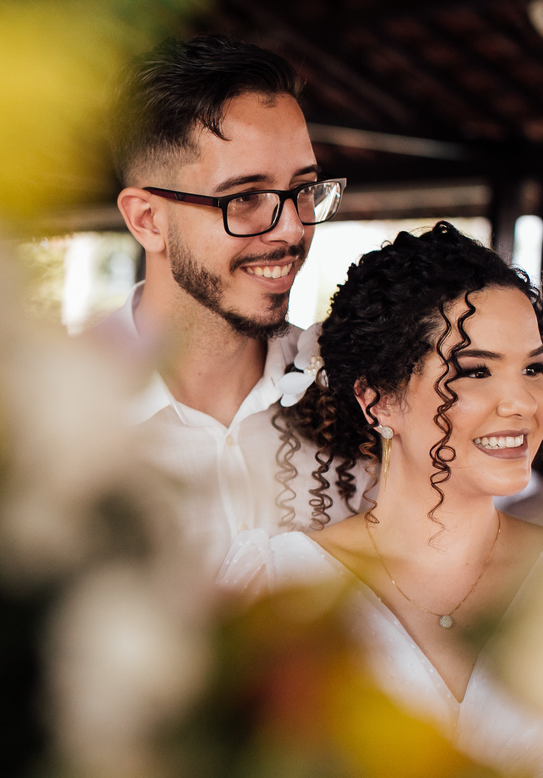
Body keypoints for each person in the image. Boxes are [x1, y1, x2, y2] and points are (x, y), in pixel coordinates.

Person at [218, 222, 543, 778]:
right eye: (475, 370)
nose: (520, 402)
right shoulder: (276, 585)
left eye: (534, 368)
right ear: (378, 400)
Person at [100, 34, 352, 573]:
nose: (290, 229)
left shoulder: (357, 403)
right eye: (244, 198)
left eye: (304, 190)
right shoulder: (58, 422)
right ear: (147, 220)